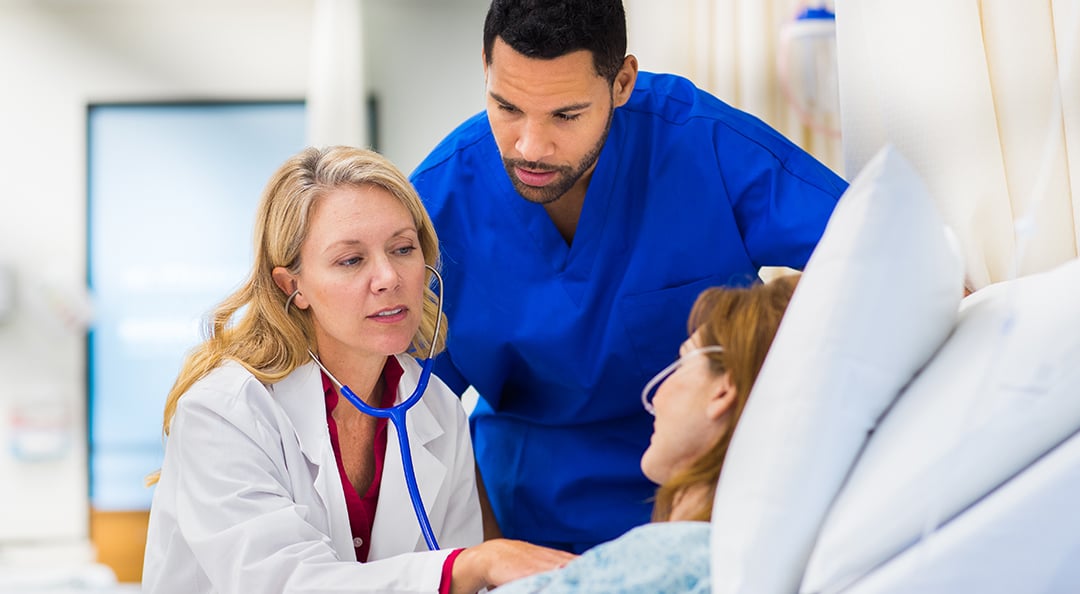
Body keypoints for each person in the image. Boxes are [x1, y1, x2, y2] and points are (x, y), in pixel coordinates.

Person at [409, 0, 846, 552]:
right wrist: (493, 562)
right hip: (530, 522)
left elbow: (873, 255)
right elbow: (422, 413)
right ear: (485, 67)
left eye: (566, 115)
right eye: (507, 107)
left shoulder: (700, 146)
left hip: (712, 505)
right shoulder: (437, 205)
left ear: (622, 83)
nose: (530, 146)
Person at [142, 146, 574, 594]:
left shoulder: (437, 409)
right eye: (351, 260)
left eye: (402, 249)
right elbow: (282, 583)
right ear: (292, 286)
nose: (389, 277)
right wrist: (466, 567)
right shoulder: (225, 413)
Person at [495, 274, 801, 593]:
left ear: (723, 390)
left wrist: (474, 565)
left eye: (682, 362)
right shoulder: (762, 561)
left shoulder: (661, 565)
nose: (655, 397)